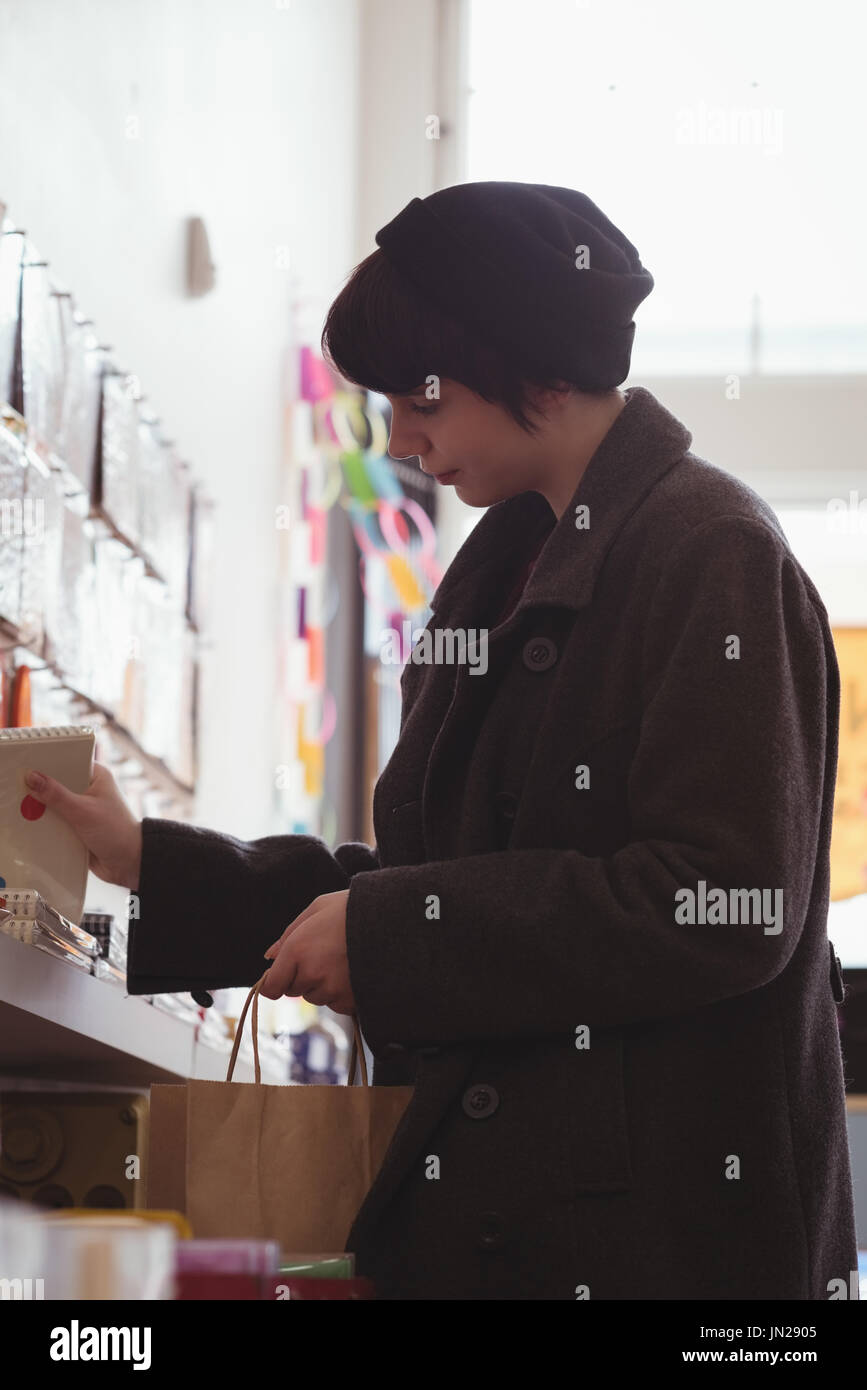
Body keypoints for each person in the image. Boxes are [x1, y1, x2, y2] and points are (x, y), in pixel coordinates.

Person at [26, 182, 857, 1301]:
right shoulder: (502, 570)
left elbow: (722, 900)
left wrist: (391, 929)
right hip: (513, 1225)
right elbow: (429, 892)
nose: (402, 441)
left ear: (542, 372)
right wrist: (148, 864)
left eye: (422, 400)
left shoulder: (714, 553)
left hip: (659, 1251)